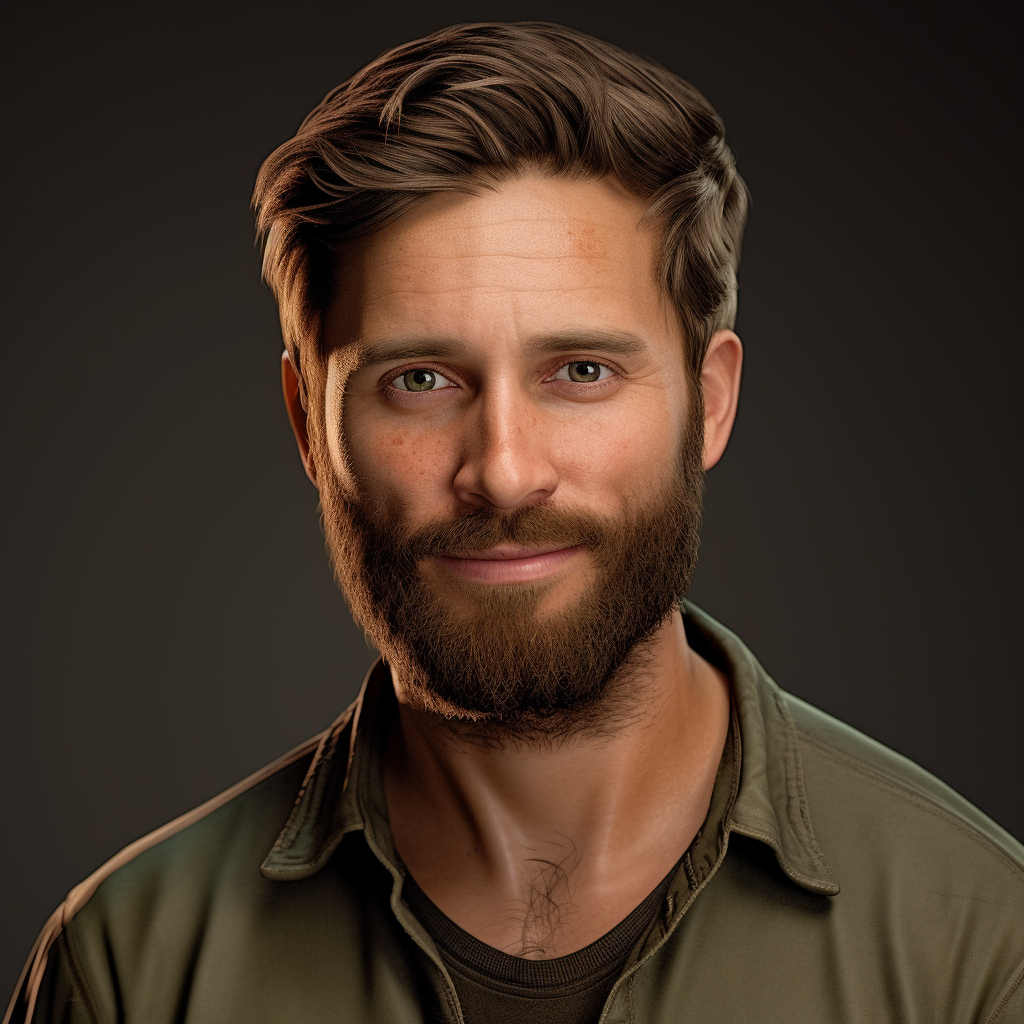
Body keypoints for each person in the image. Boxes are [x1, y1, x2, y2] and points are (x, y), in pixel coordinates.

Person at [6, 21, 1022, 1024]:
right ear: (307, 425)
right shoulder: (128, 969)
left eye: (581, 371)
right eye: (419, 379)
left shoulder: (982, 950)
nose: (502, 471)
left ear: (709, 401)